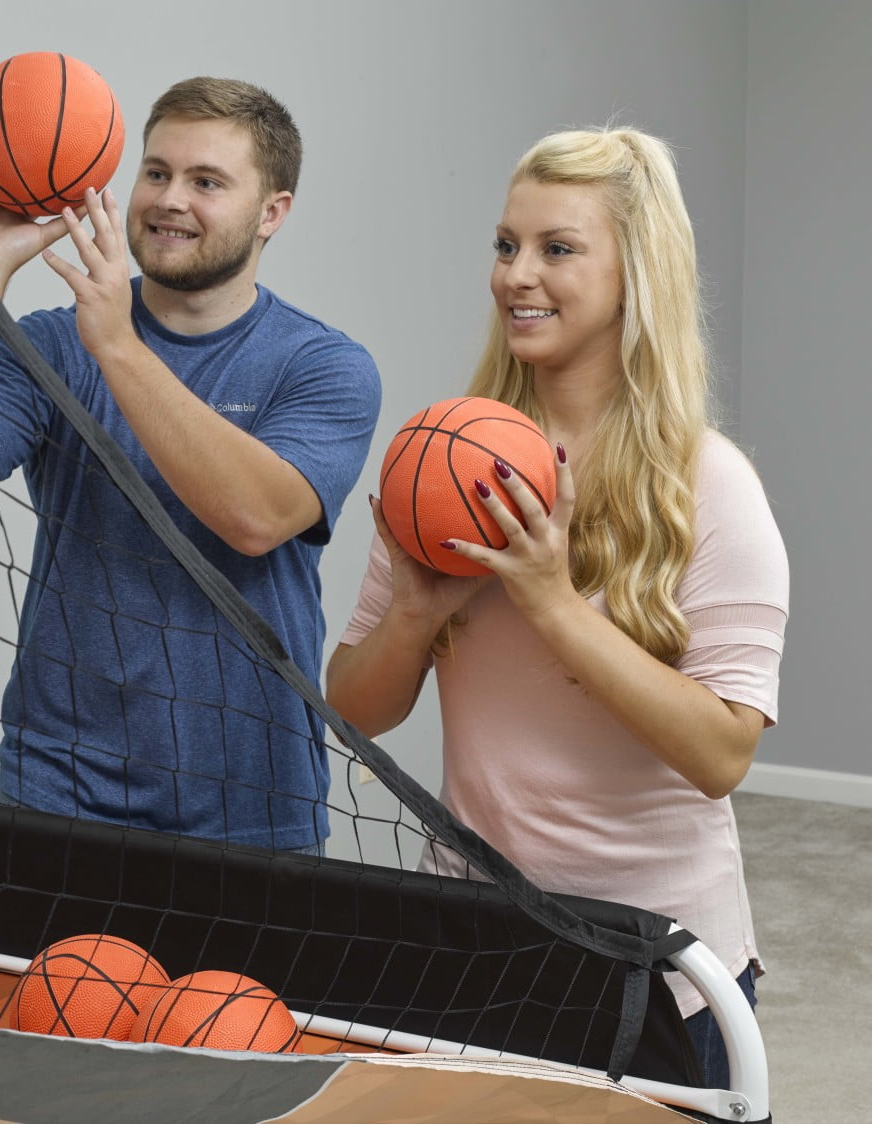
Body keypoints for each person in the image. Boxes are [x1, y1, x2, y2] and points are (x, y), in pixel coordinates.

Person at [325, 126, 788, 1088]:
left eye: (558, 249)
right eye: (506, 245)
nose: (517, 276)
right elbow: (355, 709)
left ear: (636, 274)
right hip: (475, 940)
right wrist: (414, 616)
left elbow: (722, 755)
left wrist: (550, 599)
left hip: (657, 968)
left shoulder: (707, 484)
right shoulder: (441, 463)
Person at [0, 78, 380, 852]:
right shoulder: (52, 343)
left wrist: (116, 344)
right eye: (156, 172)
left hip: (253, 804)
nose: (169, 199)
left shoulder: (323, 366)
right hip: (61, 787)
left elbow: (255, 518)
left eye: (206, 181)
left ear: (272, 213)